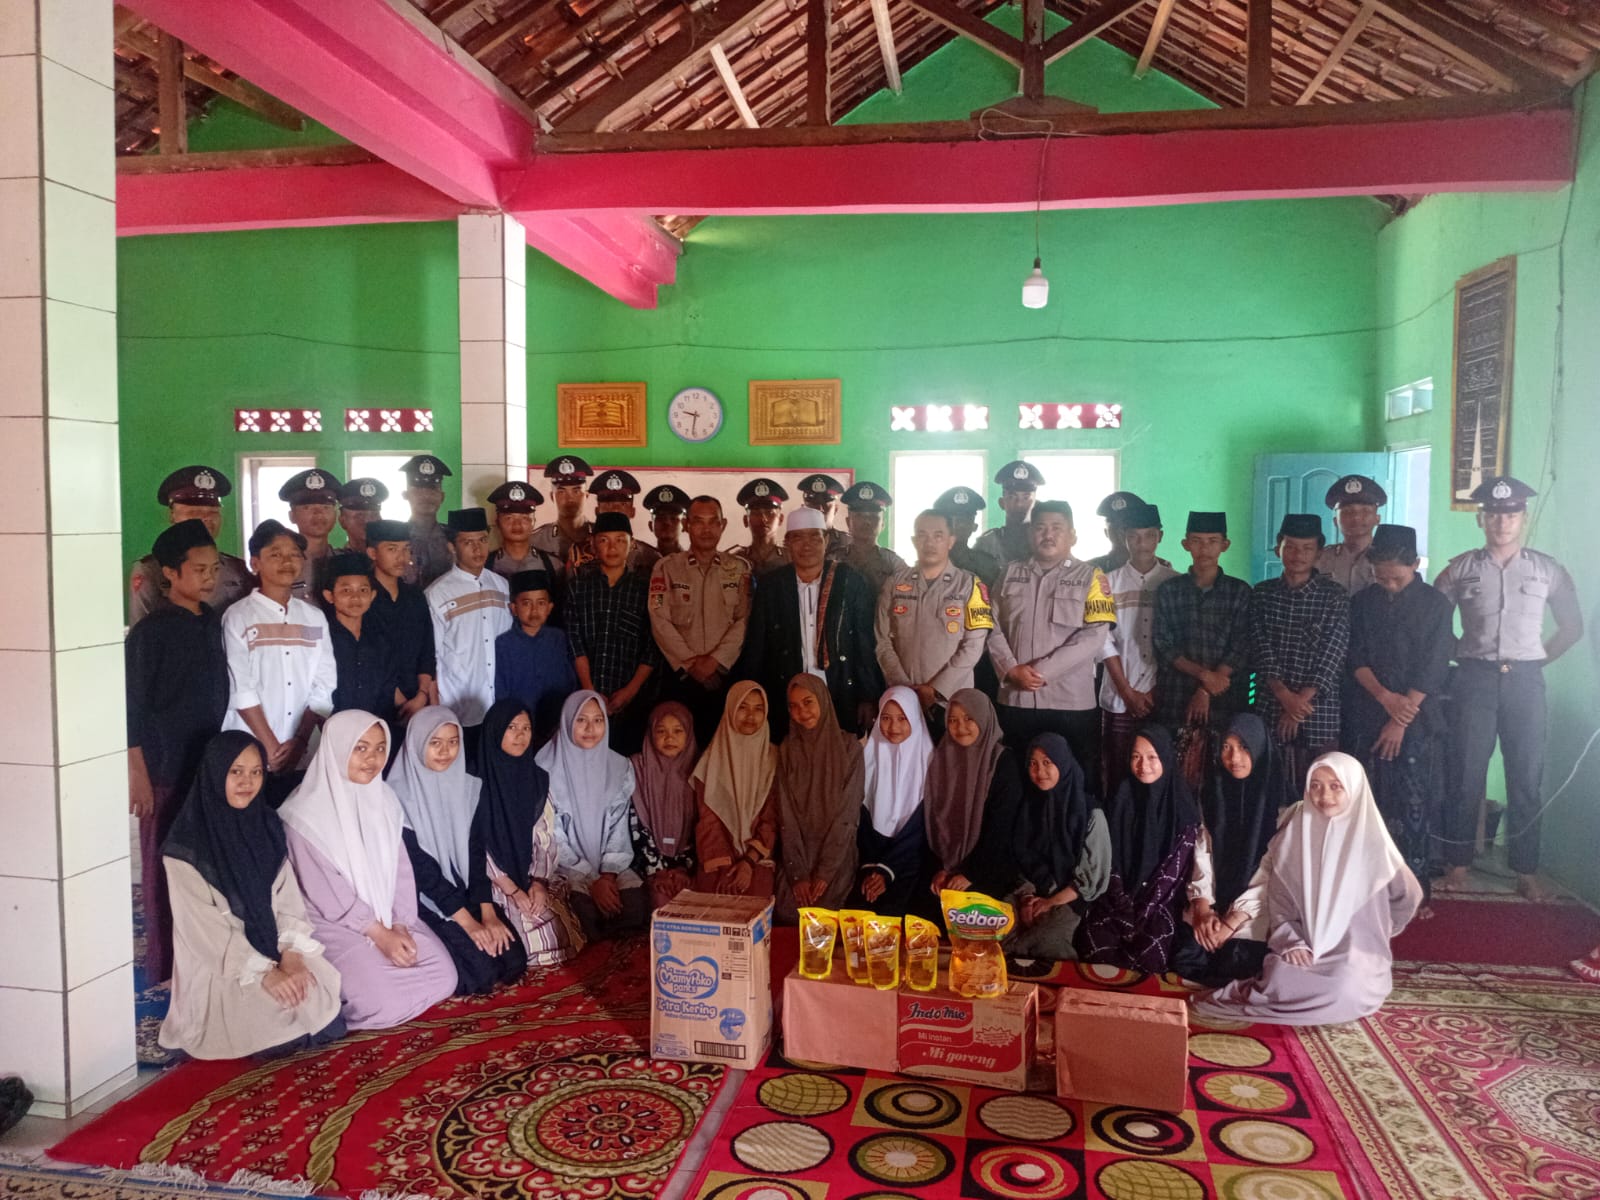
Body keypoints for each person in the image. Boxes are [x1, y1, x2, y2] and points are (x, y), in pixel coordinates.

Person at [1191, 752, 1423, 1026]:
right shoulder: (1295, 838)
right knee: (1280, 978)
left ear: (1354, 788)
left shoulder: (1375, 845)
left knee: (1344, 989)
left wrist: (1379, 930)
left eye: (1335, 786)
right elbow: (1280, 901)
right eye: (1316, 785)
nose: (1324, 795)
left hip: (1355, 951)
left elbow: (1409, 896)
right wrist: (1291, 940)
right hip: (1309, 940)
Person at [1434, 476, 1583, 899]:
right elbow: (1432, 622)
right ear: (1481, 519)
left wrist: (1536, 660)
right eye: (1494, 515)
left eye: (1511, 514)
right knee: (1465, 775)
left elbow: (1572, 626)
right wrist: (1458, 651)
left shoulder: (1547, 569)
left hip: (1525, 683)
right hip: (1474, 681)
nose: (1502, 522)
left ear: (1523, 518)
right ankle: (1458, 864)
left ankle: (1526, 870)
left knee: (1526, 779)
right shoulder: (1460, 569)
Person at [159, 732, 345, 1060]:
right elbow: (203, 932)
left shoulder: (266, 825)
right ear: (215, 773)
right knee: (278, 1026)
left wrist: (291, 956)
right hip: (224, 959)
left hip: (273, 941)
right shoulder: (185, 848)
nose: (247, 782)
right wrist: (267, 973)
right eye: (236, 771)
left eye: (256, 771)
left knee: (325, 1012)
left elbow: (287, 897)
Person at [280, 713, 457, 1029]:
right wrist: (379, 934)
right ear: (337, 748)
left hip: (386, 911)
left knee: (446, 978)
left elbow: (401, 872)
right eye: (360, 748)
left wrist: (400, 924)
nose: (372, 759)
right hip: (334, 921)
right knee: (383, 1005)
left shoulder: (384, 799)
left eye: (379, 749)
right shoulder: (303, 814)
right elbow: (327, 894)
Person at [126, 520, 231, 982]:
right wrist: (138, 773)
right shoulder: (150, 633)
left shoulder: (212, 621)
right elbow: (131, 707)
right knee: (162, 865)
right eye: (199, 570)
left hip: (207, 766)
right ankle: (165, 965)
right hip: (165, 769)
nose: (209, 578)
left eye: (214, 569)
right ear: (170, 572)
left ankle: (205, 957)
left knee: (204, 866)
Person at [1344, 524, 1452, 914]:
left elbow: (1435, 665)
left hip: (1416, 717)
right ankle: (1363, 887)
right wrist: (1384, 698)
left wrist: (1400, 718)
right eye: (1381, 578)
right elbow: (1355, 656)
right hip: (1367, 710)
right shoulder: (1362, 602)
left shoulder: (1437, 605)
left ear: (1415, 564)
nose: (1389, 585)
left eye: (1397, 578)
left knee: (1413, 802)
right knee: (1365, 799)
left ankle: (1415, 889)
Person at [391, 708, 526, 994]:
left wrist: (487, 913)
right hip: (425, 899)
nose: (445, 751)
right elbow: (422, 873)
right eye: (435, 742)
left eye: (453, 742)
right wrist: (468, 922)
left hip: (465, 889)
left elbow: (476, 854)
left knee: (514, 962)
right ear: (417, 743)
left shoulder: (467, 788)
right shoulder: (395, 799)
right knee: (480, 975)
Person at [986, 499, 1115, 785]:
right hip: (1016, 698)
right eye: (1041, 528)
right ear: (1030, 533)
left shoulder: (1092, 578)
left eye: (1057, 528)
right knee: (1016, 779)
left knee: (1072, 782)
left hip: (1070, 704)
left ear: (1073, 535)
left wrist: (1042, 671)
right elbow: (989, 625)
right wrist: (1010, 669)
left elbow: (1095, 634)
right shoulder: (1008, 574)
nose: (1048, 535)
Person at [735, 507, 884, 741]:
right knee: (791, 754)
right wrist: (749, 692)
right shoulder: (772, 586)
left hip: (839, 688)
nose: (807, 545)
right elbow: (757, 644)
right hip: (786, 692)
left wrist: (868, 695)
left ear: (826, 540)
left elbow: (864, 641)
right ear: (787, 543)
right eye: (798, 537)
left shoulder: (849, 581)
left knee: (837, 753)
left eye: (815, 536)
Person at [221, 520, 337, 798]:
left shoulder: (313, 617)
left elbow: (324, 685)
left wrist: (300, 741)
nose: (287, 561)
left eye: (294, 554)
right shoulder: (238, 616)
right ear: (255, 563)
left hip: (304, 751)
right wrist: (271, 748)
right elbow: (241, 688)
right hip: (250, 749)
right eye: (276, 554)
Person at [1075, 727, 1202, 973]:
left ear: (1165, 758)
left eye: (1152, 757)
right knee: (1093, 945)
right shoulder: (1120, 798)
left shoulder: (1182, 809)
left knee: (1150, 957)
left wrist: (1142, 912)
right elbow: (1107, 855)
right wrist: (1121, 903)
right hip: (1116, 899)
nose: (1143, 766)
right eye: (1136, 757)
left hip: (1161, 904)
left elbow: (1173, 875)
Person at [1252, 513, 1350, 807]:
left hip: (1318, 712)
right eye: (1291, 546)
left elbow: (1333, 654)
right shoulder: (1262, 594)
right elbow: (1259, 647)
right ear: (1278, 549)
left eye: (1307, 548)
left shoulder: (1335, 596)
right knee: (1270, 792)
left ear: (1319, 553)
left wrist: (1297, 706)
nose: (1298, 555)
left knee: (1323, 792)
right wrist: (1285, 697)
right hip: (1271, 706)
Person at [477, 700, 584, 968]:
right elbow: (476, 846)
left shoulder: (536, 779)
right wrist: (512, 890)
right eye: (512, 727)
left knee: (558, 929)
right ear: (495, 731)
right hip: (491, 880)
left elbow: (545, 835)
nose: (520, 735)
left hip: (529, 873)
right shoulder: (474, 782)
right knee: (522, 944)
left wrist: (538, 881)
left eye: (526, 728)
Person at [1152, 511, 1253, 789]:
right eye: (1196, 541)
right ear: (1185, 544)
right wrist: (1206, 677)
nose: (1204, 549)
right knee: (1175, 772)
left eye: (1212, 541)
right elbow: (1163, 643)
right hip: (1176, 698)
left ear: (1225, 545)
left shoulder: (1239, 591)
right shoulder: (1169, 590)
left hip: (1226, 697)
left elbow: (1243, 643)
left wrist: (1207, 689)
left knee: (1222, 774)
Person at [538, 691, 648, 938]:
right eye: (581, 720)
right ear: (567, 722)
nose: (590, 728)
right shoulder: (544, 769)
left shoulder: (618, 767)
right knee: (582, 914)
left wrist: (607, 875)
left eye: (598, 720)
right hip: (567, 866)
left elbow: (619, 827)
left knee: (635, 908)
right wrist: (590, 877)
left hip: (608, 866)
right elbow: (552, 835)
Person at [876, 509, 993, 739]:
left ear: (951, 541)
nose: (929, 543)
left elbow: (974, 646)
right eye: (922, 535)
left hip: (952, 702)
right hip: (903, 700)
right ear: (913, 540)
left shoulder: (970, 585)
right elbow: (882, 641)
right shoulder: (894, 584)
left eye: (938, 536)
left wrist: (934, 689)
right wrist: (905, 688)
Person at [648, 496, 752, 745]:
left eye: (713, 522)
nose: (706, 529)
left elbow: (744, 620)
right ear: (686, 525)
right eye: (698, 522)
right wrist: (691, 663)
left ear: (722, 525)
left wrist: (715, 661)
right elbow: (659, 618)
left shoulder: (739, 569)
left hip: (724, 677)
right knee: (679, 747)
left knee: (722, 747)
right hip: (679, 679)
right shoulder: (666, 568)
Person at [1184, 714, 1277, 983]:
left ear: (1259, 748)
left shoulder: (1284, 805)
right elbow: (1202, 852)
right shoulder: (1213, 793)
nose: (1234, 757)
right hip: (1215, 899)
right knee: (1186, 952)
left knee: (1235, 961)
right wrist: (1202, 908)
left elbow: (1274, 874)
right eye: (1226, 747)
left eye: (1244, 747)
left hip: (1257, 907)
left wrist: (1231, 922)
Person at [1004, 734, 1111, 963]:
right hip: (1029, 889)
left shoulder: (1090, 813)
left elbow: (1092, 878)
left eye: (1047, 762)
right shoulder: (1029, 805)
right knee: (999, 926)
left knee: (1046, 942)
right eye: (1033, 763)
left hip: (1070, 897)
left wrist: (1050, 902)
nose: (1039, 771)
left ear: (1062, 763)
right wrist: (1027, 898)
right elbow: (1019, 856)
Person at [1097, 502, 1180, 800]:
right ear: (1124, 537)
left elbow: (1177, 643)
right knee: (1119, 770)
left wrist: (1154, 691)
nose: (1141, 543)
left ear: (1160, 536)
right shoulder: (1107, 583)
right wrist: (1127, 691)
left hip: (1162, 695)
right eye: (1133, 536)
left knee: (1159, 769)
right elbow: (1102, 640)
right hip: (1120, 695)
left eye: (1148, 536)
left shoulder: (1174, 582)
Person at [566, 511, 661, 754]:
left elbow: (652, 647)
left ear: (632, 544)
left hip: (631, 701)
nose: (612, 547)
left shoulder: (644, 590)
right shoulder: (578, 587)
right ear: (593, 544)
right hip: (584, 698)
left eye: (620, 540)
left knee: (626, 759)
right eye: (604, 540)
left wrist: (630, 692)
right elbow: (575, 642)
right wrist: (590, 691)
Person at [774, 675, 863, 920]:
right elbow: (786, 814)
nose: (802, 712)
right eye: (793, 706)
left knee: (826, 918)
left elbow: (848, 815)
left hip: (837, 855)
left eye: (808, 702)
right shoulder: (787, 749)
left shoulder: (849, 748)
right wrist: (797, 873)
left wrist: (825, 872)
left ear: (823, 700)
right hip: (796, 854)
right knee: (788, 912)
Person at [426, 507, 513, 752]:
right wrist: (435, 709)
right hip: (459, 708)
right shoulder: (438, 594)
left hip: (500, 703)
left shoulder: (501, 586)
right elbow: (432, 657)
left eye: (483, 540)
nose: (478, 549)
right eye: (468, 542)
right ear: (452, 547)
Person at [924, 690, 1024, 901]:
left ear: (983, 717)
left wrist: (970, 873)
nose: (960, 727)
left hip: (988, 867)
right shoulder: (942, 758)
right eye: (953, 720)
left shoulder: (1002, 762)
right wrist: (941, 868)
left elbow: (1001, 827)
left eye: (969, 718)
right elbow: (933, 819)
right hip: (942, 867)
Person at [128, 465, 253, 624]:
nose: (205, 519)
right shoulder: (151, 570)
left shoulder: (236, 569)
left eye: (213, 512)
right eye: (195, 513)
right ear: (172, 515)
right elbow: (141, 631)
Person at [851, 687, 935, 917]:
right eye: (886, 718)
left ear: (915, 719)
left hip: (911, 863)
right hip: (869, 860)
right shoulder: (867, 758)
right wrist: (873, 868)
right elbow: (861, 818)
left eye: (902, 718)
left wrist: (887, 870)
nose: (893, 727)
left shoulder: (930, 762)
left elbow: (922, 829)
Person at [691, 681, 780, 897]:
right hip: (717, 856)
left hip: (757, 856)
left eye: (758, 708)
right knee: (715, 893)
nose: (750, 716)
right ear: (730, 709)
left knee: (756, 893)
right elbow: (708, 821)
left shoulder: (774, 759)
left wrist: (748, 861)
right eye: (742, 707)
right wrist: (724, 866)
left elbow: (772, 819)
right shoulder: (711, 760)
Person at [364, 519, 437, 725]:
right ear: (372, 553)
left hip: (417, 698)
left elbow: (427, 649)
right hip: (377, 700)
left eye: (406, 549)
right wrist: (402, 702)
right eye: (392, 549)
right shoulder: (363, 598)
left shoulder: (414, 596)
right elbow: (369, 657)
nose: (402, 557)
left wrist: (422, 695)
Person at [629, 702, 700, 909]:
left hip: (687, 868)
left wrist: (683, 869)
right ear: (650, 733)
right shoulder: (637, 768)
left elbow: (701, 826)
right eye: (661, 731)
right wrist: (657, 870)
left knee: (692, 900)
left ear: (689, 734)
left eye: (678, 731)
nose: (669, 738)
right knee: (660, 899)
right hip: (648, 865)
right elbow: (634, 824)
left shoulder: (700, 769)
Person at [494, 570, 577, 746]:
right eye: (526, 603)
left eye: (541, 603)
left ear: (550, 607)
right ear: (513, 608)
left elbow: (570, 682)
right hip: (519, 728)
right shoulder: (502, 645)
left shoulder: (559, 639)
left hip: (557, 728)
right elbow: (500, 692)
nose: (534, 610)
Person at [322, 552, 404, 726]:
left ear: (372, 596)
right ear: (329, 596)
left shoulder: (381, 638)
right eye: (346, 590)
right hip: (334, 728)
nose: (356, 597)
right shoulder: (322, 639)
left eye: (363, 590)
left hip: (377, 728)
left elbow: (388, 687)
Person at [530, 454, 593, 587]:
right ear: (552, 497)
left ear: (586, 496)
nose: (569, 499)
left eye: (576, 491)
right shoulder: (536, 540)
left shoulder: (600, 537)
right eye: (561, 492)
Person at [1317, 474, 1386, 593]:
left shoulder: (1388, 558)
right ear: (1335, 521)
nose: (1356, 517)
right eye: (1347, 511)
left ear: (1377, 519)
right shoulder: (1321, 558)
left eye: (1365, 511)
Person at [278, 468, 341, 599]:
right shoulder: (282, 565)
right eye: (307, 508)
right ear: (292, 516)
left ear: (336, 515)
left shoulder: (347, 561)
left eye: (325, 507)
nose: (318, 514)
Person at [587, 468, 662, 578]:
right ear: (597, 511)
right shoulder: (580, 553)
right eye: (608, 504)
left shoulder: (649, 556)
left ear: (632, 511)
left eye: (622, 504)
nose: (615, 510)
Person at [839, 481, 908, 600]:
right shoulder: (834, 558)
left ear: (883, 524)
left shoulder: (895, 564)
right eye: (859, 516)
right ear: (848, 522)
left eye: (873, 517)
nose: (866, 522)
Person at [485, 481, 562, 585]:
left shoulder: (553, 565)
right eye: (509, 518)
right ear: (497, 522)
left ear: (534, 522)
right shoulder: (485, 564)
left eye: (525, 518)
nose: (517, 525)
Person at [974, 460, 1045, 567]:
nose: (1019, 503)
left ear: (1036, 504)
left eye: (1026, 498)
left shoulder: (1044, 542)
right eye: (1012, 497)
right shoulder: (987, 545)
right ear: (1002, 503)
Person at [401, 454, 454, 588]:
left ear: (442, 496)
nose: (426, 497)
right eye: (418, 491)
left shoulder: (454, 536)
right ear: (406, 495)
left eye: (432, 491)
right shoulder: (397, 538)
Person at [934, 485, 1001, 588]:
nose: (960, 525)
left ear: (974, 526)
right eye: (953, 520)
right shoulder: (931, 561)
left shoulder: (987, 566)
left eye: (966, 519)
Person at [732, 477, 789, 576]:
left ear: (781, 519)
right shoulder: (735, 560)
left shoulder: (792, 558)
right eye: (756, 513)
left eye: (770, 513)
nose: (763, 519)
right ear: (745, 520)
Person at [1088, 490, 1151, 574]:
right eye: (1114, 523)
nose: (1121, 530)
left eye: (1127, 523)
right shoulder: (1088, 570)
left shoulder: (1158, 569)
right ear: (1106, 531)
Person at [796, 473, 850, 559]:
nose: (819, 509)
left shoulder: (848, 542)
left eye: (825, 509)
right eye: (813, 509)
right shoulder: (794, 543)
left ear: (835, 510)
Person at [336, 477, 388, 556]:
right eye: (359, 516)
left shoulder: (392, 560)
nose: (367, 521)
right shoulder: (334, 561)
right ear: (342, 521)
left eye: (373, 515)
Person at [643, 484, 691, 557]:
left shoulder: (692, 562)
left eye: (673, 518)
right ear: (650, 525)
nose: (667, 522)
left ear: (684, 525)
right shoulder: (641, 561)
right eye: (660, 518)